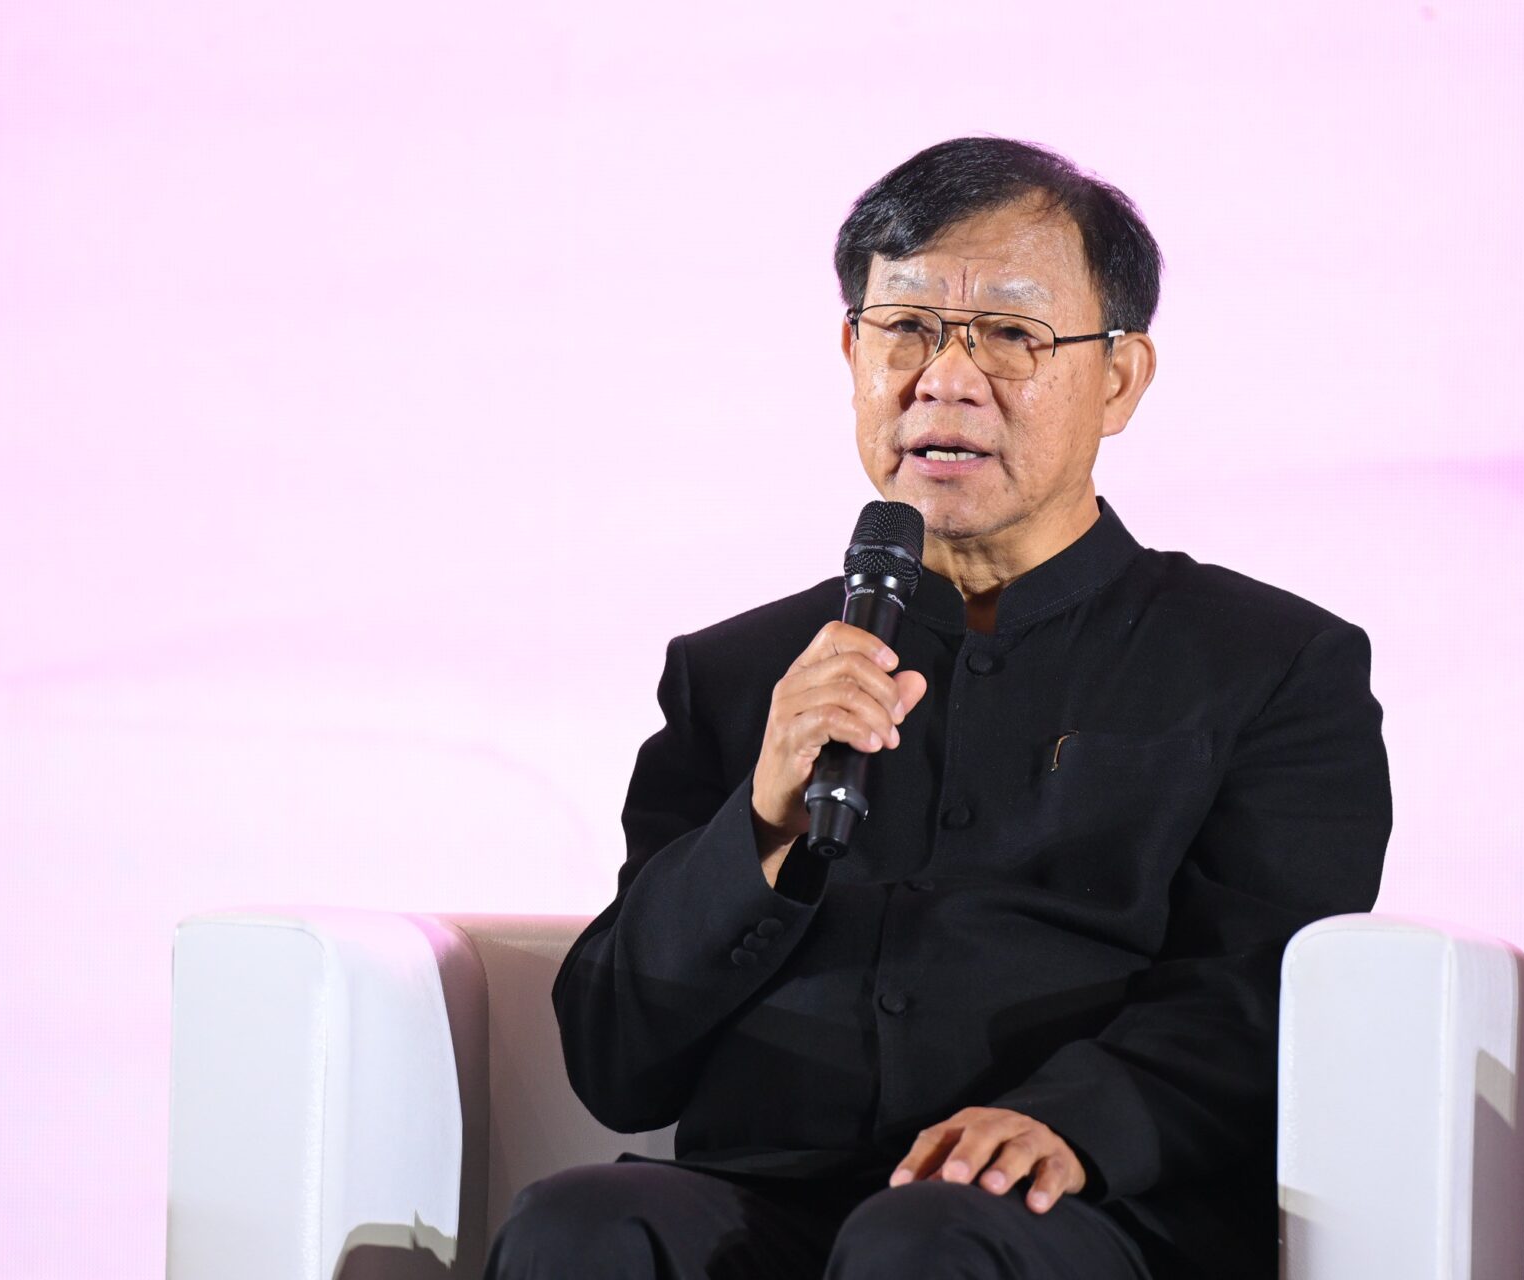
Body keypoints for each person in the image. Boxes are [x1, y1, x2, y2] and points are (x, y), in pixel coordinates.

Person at [485, 136, 1393, 1280]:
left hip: (1084, 1210)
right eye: (906, 327)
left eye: (1010, 334)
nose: (945, 379)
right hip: (773, 1195)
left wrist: (1076, 1120)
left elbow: (1261, 990)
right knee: (581, 1224)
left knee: (922, 1241)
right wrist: (759, 822)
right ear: (853, 354)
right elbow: (617, 1062)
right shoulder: (741, 671)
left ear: (1119, 379)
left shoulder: (1269, 663)